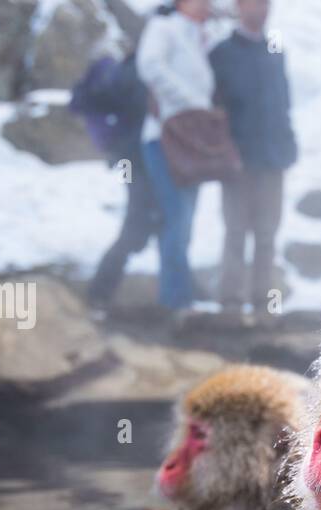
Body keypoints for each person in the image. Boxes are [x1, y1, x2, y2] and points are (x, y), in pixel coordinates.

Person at [210, 0, 298, 321]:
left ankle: (263, 306)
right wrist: (223, 151)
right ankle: (230, 306)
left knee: (266, 234)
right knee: (235, 232)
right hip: (236, 160)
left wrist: (288, 146)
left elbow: (283, 104)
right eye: (251, 2)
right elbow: (213, 110)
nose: (259, 8)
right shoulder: (221, 54)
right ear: (238, 6)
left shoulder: (275, 54)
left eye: (264, 2)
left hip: (273, 159)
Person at [136, 0, 222, 319]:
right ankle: (176, 299)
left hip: (190, 142)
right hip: (165, 137)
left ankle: (178, 296)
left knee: (184, 220)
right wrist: (191, 103)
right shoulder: (164, 28)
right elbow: (150, 66)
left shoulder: (200, 38)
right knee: (176, 217)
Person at [72, 48, 161, 312]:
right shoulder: (134, 72)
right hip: (132, 157)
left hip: (128, 156)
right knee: (138, 220)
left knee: (147, 220)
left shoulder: (129, 69)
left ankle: (101, 292)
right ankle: (99, 293)